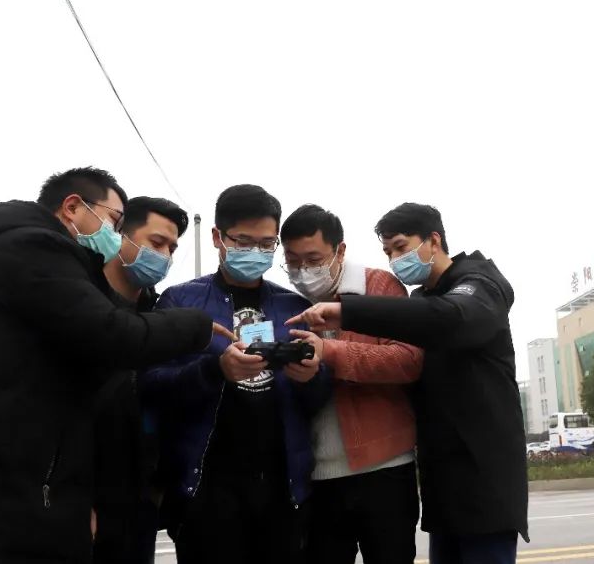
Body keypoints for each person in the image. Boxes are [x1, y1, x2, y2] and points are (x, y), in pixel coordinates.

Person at [0, 167, 213, 563]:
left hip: (0, 487)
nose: (114, 237)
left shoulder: (12, 251)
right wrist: (197, 323)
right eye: (114, 223)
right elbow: (113, 336)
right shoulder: (34, 247)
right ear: (72, 207)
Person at [288, 203, 528, 564]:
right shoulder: (421, 299)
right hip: (442, 479)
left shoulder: (479, 283)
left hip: (484, 476)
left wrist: (347, 312)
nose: (395, 260)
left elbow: (450, 319)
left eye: (401, 247)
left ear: (434, 240)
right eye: (388, 252)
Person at [140, 184, 330, 564]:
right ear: (217, 237)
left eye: (266, 243)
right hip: (205, 489)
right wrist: (215, 369)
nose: (256, 252)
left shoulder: (293, 306)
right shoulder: (181, 301)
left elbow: (318, 400)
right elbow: (151, 385)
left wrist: (311, 377)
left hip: (282, 490)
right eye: (243, 241)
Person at [280, 204, 423, 564]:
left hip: (385, 469)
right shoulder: (289, 303)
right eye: (292, 262)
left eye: (313, 260)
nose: (303, 271)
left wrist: (329, 351)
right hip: (317, 477)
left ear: (340, 250)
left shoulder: (379, 287)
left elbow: (408, 360)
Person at [92, 196, 196, 564]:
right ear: (119, 234)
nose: (164, 256)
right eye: (156, 243)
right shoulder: (81, 306)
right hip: (85, 493)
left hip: (143, 495)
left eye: (172, 248)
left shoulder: (162, 313)